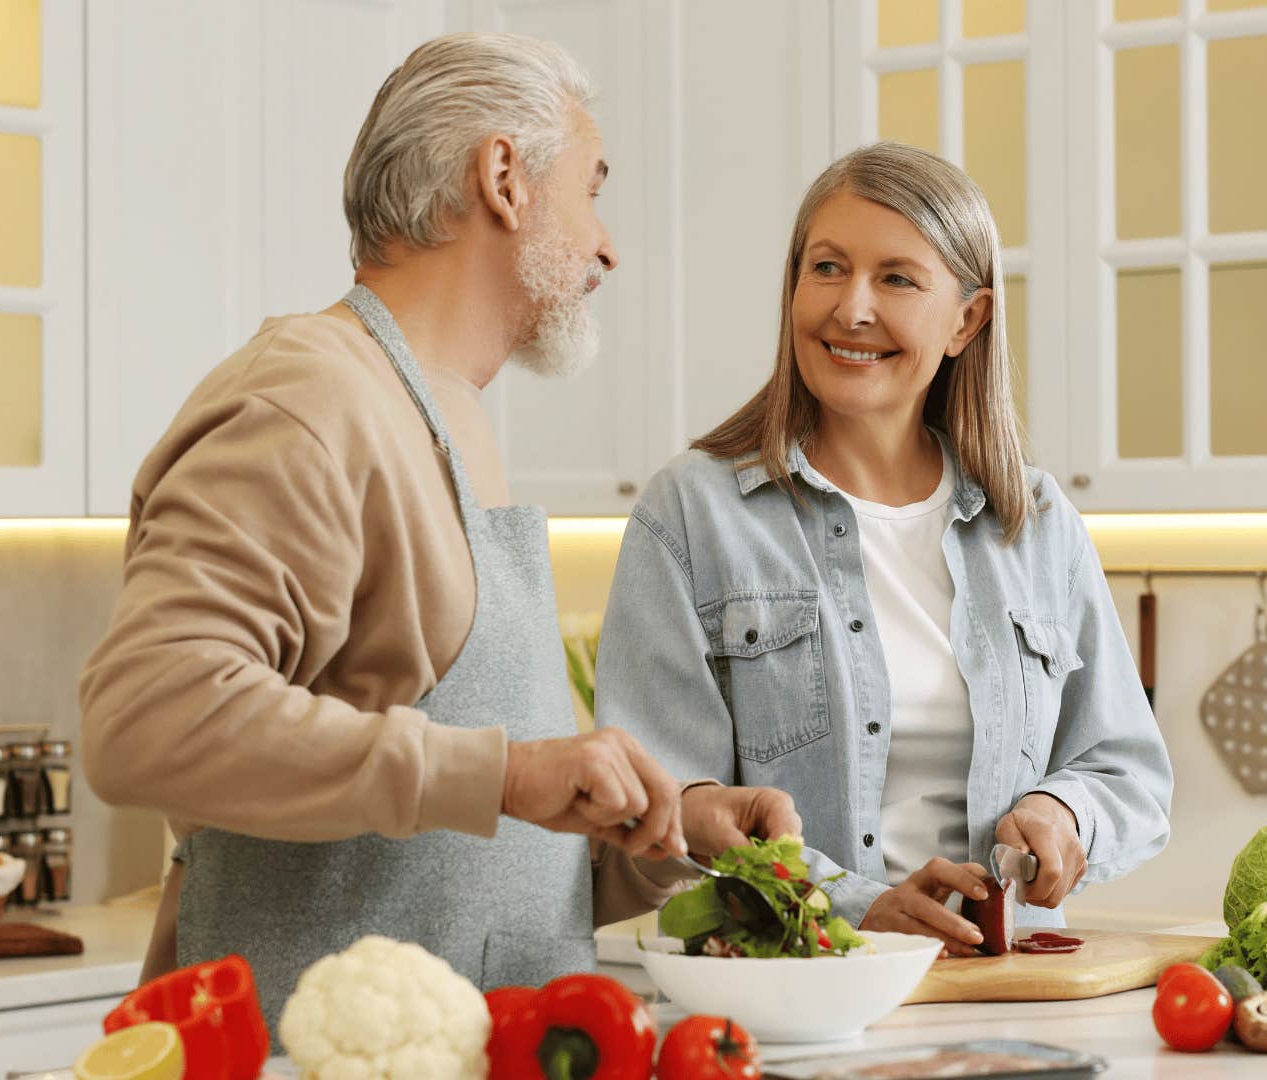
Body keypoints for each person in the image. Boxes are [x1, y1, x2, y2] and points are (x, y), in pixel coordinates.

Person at [78, 32, 798, 1022]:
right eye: (591, 188)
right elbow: (144, 723)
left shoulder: (442, 412)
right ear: (503, 176)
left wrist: (672, 833)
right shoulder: (310, 399)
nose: (608, 245)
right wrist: (504, 770)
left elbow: (452, 843)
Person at [595, 143, 1172, 957]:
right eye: (827, 268)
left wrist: (1066, 813)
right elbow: (663, 809)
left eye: (896, 278)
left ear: (967, 321)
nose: (852, 308)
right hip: (794, 982)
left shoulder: (1036, 523)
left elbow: (1127, 770)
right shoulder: (693, 513)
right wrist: (855, 908)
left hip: (1003, 988)